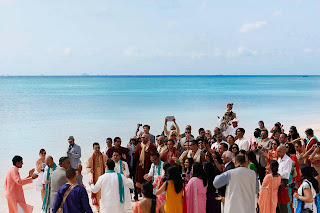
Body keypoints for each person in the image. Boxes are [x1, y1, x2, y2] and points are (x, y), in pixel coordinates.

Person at [86, 142, 108, 212]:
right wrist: (90, 170)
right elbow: (87, 167)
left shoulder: (104, 156)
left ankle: (104, 207)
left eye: (98, 148)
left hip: (103, 178)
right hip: (95, 179)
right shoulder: (90, 158)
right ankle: (98, 209)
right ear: (93, 148)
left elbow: (108, 165)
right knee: (96, 194)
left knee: (104, 193)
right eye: (96, 148)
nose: (97, 149)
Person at [277, 145, 293, 213]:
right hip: (277, 182)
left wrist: (277, 174)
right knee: (278, 204)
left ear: (284, 151)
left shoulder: (288, 160)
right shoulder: (279, 159)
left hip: (283, 183)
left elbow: (286, 174)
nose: (277, 153)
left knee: (283, 204)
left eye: (279, 151)